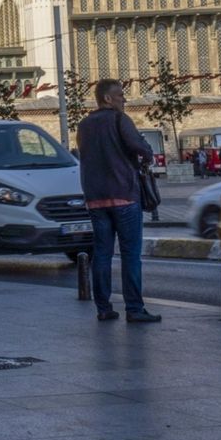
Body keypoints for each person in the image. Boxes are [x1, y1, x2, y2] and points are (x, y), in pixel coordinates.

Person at [77, 79, 160, 323]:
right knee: (130, 254)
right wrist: (145, 150)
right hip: (124, 196)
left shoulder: (84, 125)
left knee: (102, 254)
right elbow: (141, 148)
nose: (124, 99)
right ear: (108, 99)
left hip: (95, 199)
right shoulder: (119, 119)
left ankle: (103, 308)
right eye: (120, 95)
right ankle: (134, 308)